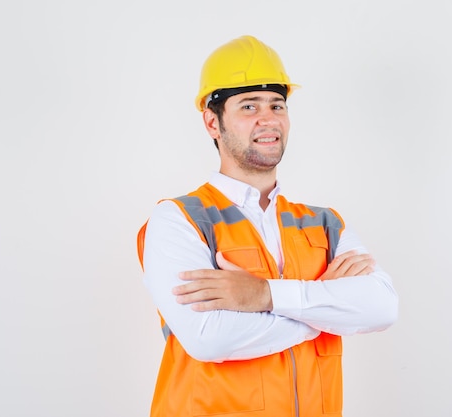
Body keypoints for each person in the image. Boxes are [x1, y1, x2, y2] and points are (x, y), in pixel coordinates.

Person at [136, 34, 398, 417]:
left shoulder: (325, 223)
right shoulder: (178, 219)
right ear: (213, 122)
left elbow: (382, 308)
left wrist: (263, 296)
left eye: (277, 104)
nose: (268, 118)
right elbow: (208, 338)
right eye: (248, 106)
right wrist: (324, 309)